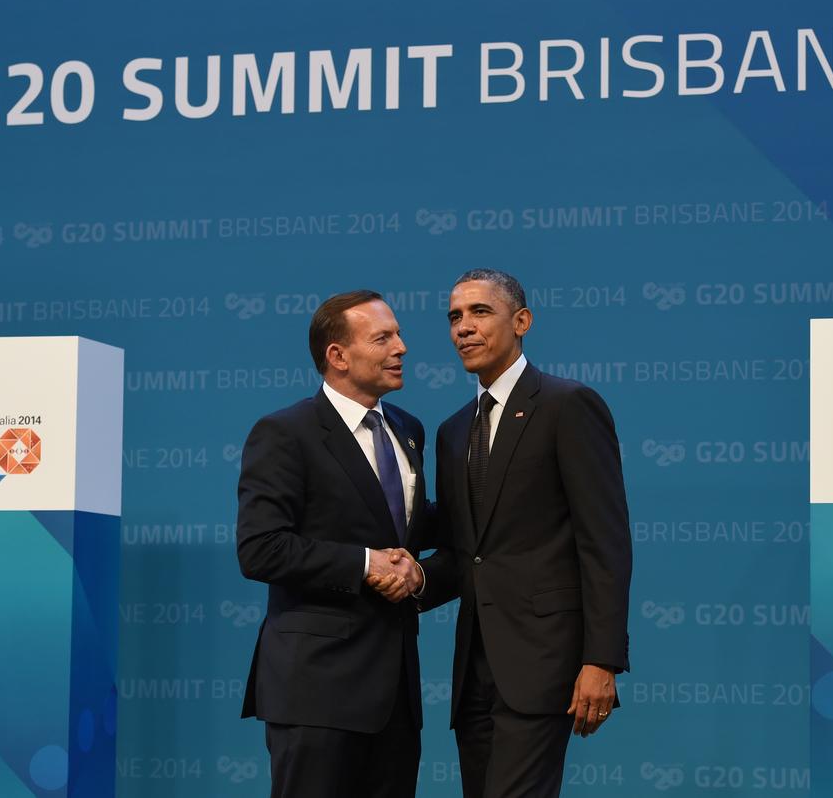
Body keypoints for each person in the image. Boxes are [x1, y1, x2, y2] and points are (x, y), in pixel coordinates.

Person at [410, 268, 633, 798]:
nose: (463, 327)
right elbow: (468, 553)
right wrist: (409, 580)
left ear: (522, 321)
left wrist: (601, 660)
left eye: (480, 312)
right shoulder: (452, 430)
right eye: (454, 317)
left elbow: (604, 541)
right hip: (474, 673)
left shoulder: (567, 405)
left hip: (542, 664)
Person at [236, 289, 430, 798]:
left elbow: (408, 534)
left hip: (395, 696)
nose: (402, 347)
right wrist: (366, 564)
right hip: (316, 692)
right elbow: (260, 548)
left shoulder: (409, 430)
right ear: (338, 356)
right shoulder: (285, 433)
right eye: (383, 337)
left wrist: (415, 570)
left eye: (399, 334)